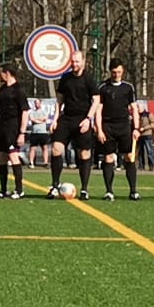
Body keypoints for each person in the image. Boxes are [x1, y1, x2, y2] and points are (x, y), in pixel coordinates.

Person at [51, 49, 102, 199]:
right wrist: (55, 119)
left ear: (83, 62)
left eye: (77, 61)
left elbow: (97, 100)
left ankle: (84, 189)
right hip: (66, 118)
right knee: (56, 149)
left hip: (82, 120)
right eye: (72, 61)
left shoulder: (89, 79)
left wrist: (88, 119)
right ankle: (54, 185)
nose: (74, 64)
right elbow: (59, 100)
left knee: (84, 154)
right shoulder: (65, 78)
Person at [97, 61, 142, 201]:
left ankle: (133, 191)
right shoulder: (103, 87)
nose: (116, 75)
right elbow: (98, 109)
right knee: (108, 157)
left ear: (123, 72)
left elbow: (134, 109)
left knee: (129, 157)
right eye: (114, 72)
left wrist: (136, 128)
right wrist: (99, 129)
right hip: (108, 126)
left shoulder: (128, 88)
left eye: (119, 72)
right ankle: (109, 191)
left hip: (124, 126)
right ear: (110, 71)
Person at [0, 64, 30, 198]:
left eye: (1, 73)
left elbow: (25, 111)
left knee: (13, 156)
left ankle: (19, 190)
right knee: (1, 157)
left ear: (7, 73)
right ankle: (3, 189)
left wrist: (22, 132)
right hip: (2, 126)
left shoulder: (19, 89)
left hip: (13, 126)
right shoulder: (2, 89)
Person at [25, 96, 53, 168]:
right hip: (34, 133)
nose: (37, 104)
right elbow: (32, 119)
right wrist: (38, 120)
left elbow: (44, 119)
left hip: (43, 132)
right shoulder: (32, 112)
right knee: (33, 148)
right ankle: (31, 163)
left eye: (38, 103)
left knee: (45, 147)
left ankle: (46, 163)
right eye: (35, 103)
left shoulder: (44, 112)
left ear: (40, 104)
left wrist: (38, 120)